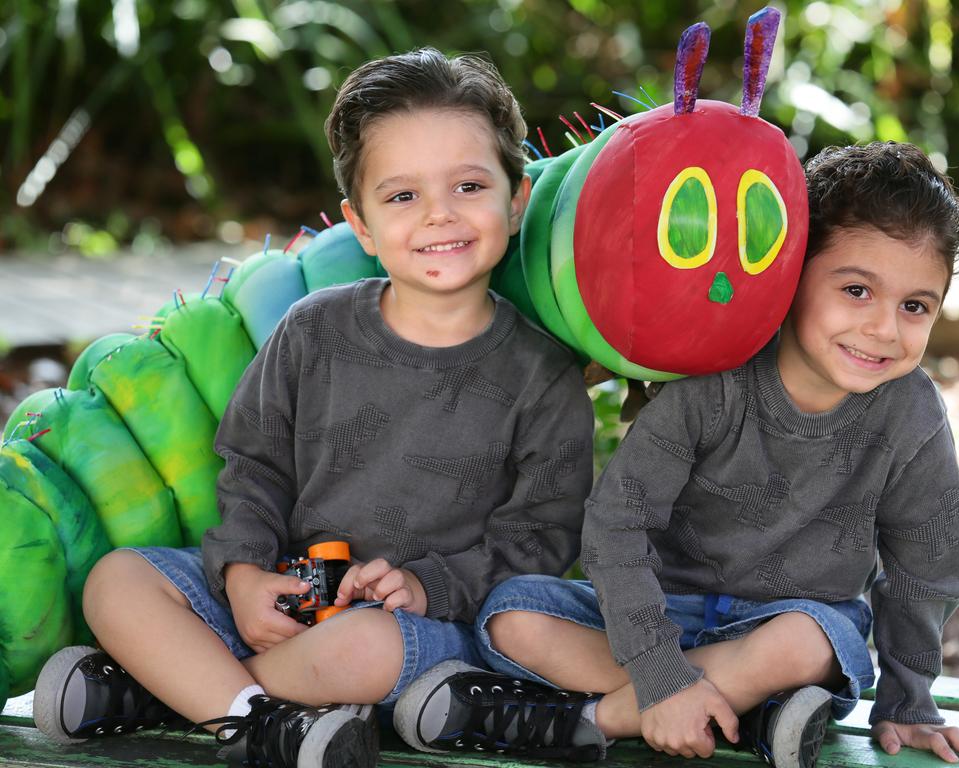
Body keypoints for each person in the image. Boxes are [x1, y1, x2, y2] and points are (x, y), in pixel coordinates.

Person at [32, 47, 594, 768]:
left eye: (468, 185)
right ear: (360, 225)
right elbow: (253, 466)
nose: (439, 215)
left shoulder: (542, 376)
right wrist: (243, 578)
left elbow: (541, 538)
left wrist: (427, 586)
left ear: (515, 202)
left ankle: (188, 700)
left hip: (413, 625)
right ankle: (259, 721)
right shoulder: (313, 329)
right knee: (118, 581)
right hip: (286, 598)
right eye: (401, 197)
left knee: (364, 645)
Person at [393, 142, 959, 768]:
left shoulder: (909, 411)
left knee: (817, 641)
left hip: (787, 626)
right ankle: (749, 710)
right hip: (656, 615)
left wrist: (910, 700)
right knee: (511, 615)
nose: (885, 329)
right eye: (856, 290)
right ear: (787, 274)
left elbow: (928, 562)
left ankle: (590, 721)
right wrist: (660, 673)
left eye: (915, 307)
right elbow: (617, 525)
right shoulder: (715, 378)